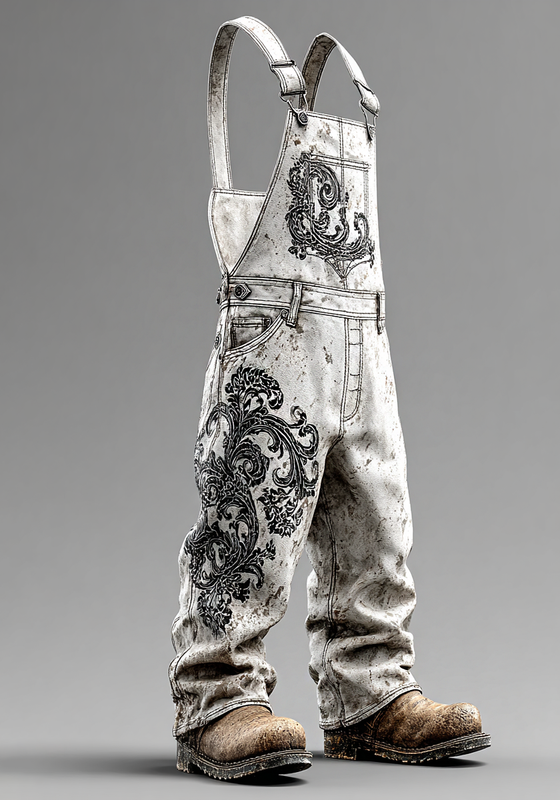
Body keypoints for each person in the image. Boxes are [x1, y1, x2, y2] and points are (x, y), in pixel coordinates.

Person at [169, 16, 490, 781]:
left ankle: (370, 694)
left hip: (364, 347)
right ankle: (216, 699)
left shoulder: (358, 101)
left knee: (378, 523)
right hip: (272, 343)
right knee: (252, 516)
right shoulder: (256, 52)